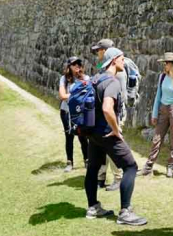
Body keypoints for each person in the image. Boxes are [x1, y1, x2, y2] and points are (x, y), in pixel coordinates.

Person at [83, 48, 147, 226]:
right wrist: (116, 129)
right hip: (106, 132)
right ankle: (125, 212)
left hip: (93, 133)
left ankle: (93, 207)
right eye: (121, 58)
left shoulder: (96, 78)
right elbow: (106, 108)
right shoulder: (112, 82)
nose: (124, 61)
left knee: (93, 167)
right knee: (131, 167)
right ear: (113, 61)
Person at [141, 52, 173, 178]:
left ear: (172, 64)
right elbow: (158, 96)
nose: (164, 65)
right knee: (156, 139)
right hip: (162, 110)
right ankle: (149, 165)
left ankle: (171, 166)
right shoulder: (162, 77)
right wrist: (154, 114)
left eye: (166, 63)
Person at [91, 39, 125, 190]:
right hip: (107, 112)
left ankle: (118, 177)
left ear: (105, 51)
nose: (96, 53)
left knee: (112, 146)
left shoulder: (117, 70)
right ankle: (101, 177)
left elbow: (116, 96)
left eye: (98, 50)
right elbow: (99, 69)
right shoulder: (103, 67)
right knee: (102, 147)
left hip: (114, 111)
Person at [58, 57, 89, 172]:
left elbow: (88, 95)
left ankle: (87, 160)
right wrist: (78, 95)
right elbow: (62, 95)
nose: (77, 65)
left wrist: (71, 95)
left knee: (83, 136)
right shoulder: (64, 79)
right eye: (74, 64)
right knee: (69, 136)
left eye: (79, 63)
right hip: (66, 112)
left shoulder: (85, 78)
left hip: (80, 112)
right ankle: (69, 162)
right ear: (69, 66)